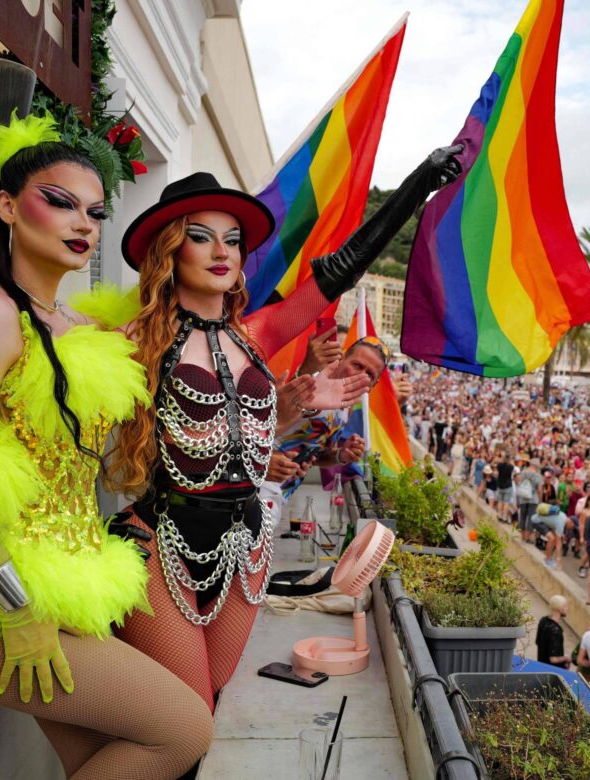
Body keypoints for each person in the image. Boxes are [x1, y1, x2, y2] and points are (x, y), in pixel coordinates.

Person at [0, 114, 214, 778]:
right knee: (184, 731)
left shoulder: (82, 327)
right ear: (7, 205)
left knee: (102, 762)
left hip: (63, 591)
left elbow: (182, 316)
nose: (84, 223)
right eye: (59, 202)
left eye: (94, 211)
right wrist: (19, 610)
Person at [107, 145, 462, 707]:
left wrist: (418, 185)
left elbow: (342, 270)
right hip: (158, 545)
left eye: (233, 239)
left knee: (214, 694)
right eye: (202, 236)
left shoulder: (255, 334)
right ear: (169, 250)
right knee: (186, 714)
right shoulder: (131, 344)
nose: (224, 252)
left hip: (246, 545)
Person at [537, 595, 571, 668]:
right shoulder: (555, 630)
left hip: (541, 665)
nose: (567, 608)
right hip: (552, 671)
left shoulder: (543, 621)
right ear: (559, 609)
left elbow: (538, 642)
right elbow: (553, 659)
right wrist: (566, 658)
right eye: (565, 606)